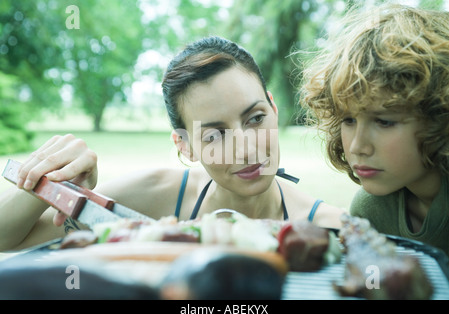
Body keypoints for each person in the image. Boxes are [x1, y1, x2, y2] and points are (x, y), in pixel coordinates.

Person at [0, 36, 344, 252]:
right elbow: (6, 239)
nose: (247, 148)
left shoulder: (329, 228)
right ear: (185, 145)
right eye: (214, 134)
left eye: (255, 118)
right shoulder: (159, 196)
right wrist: (45, 181)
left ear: (273, 106)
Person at [300, 4, 449, 255]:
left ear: (440, 117)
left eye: (384, 121)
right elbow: (372, 284)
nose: (358, 146)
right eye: (348, 120)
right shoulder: (371, 210)